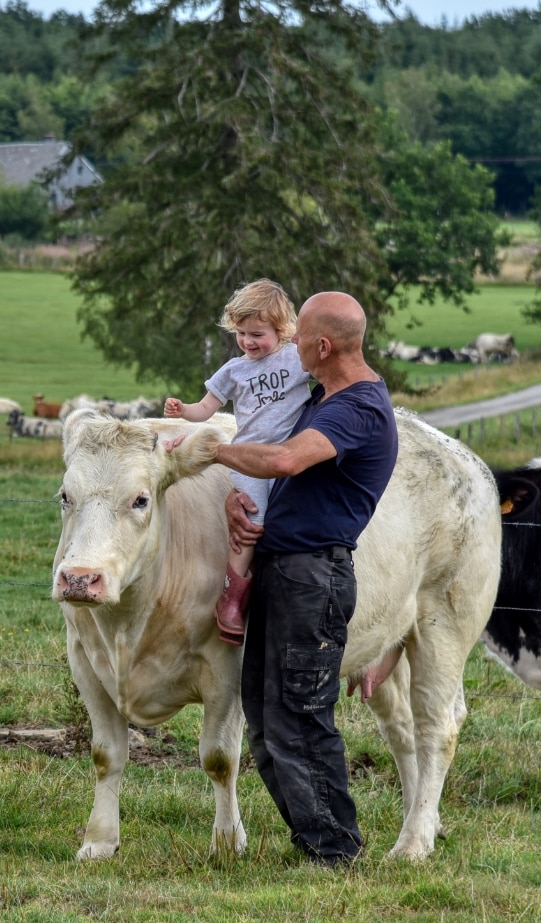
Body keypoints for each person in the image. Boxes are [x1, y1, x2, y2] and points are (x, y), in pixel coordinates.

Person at [209, 292, 398, 865]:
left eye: (298, 339)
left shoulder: (357, 408)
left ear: (321, 345)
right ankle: (313, 838)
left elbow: (287, 461)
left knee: (300, 714)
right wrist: (237, 508)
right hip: (283, 568)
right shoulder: (323, 397)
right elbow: (280, 475)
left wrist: (212, 451)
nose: (288, 346)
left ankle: (335, 851)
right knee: (266, 716)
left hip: (312, 578)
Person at [163, 279, 313, 645]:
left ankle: (279, 590)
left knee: (293, 517)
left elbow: (328, 373)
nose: (248, 342)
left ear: (282, 330)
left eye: (257, 334)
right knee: (252, 520)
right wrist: (184, 410)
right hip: (247, 459)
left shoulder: (296, 358)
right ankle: (232, 598)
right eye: (241, 333)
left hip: (289, 455)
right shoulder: (233, 371)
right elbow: (205, 408)